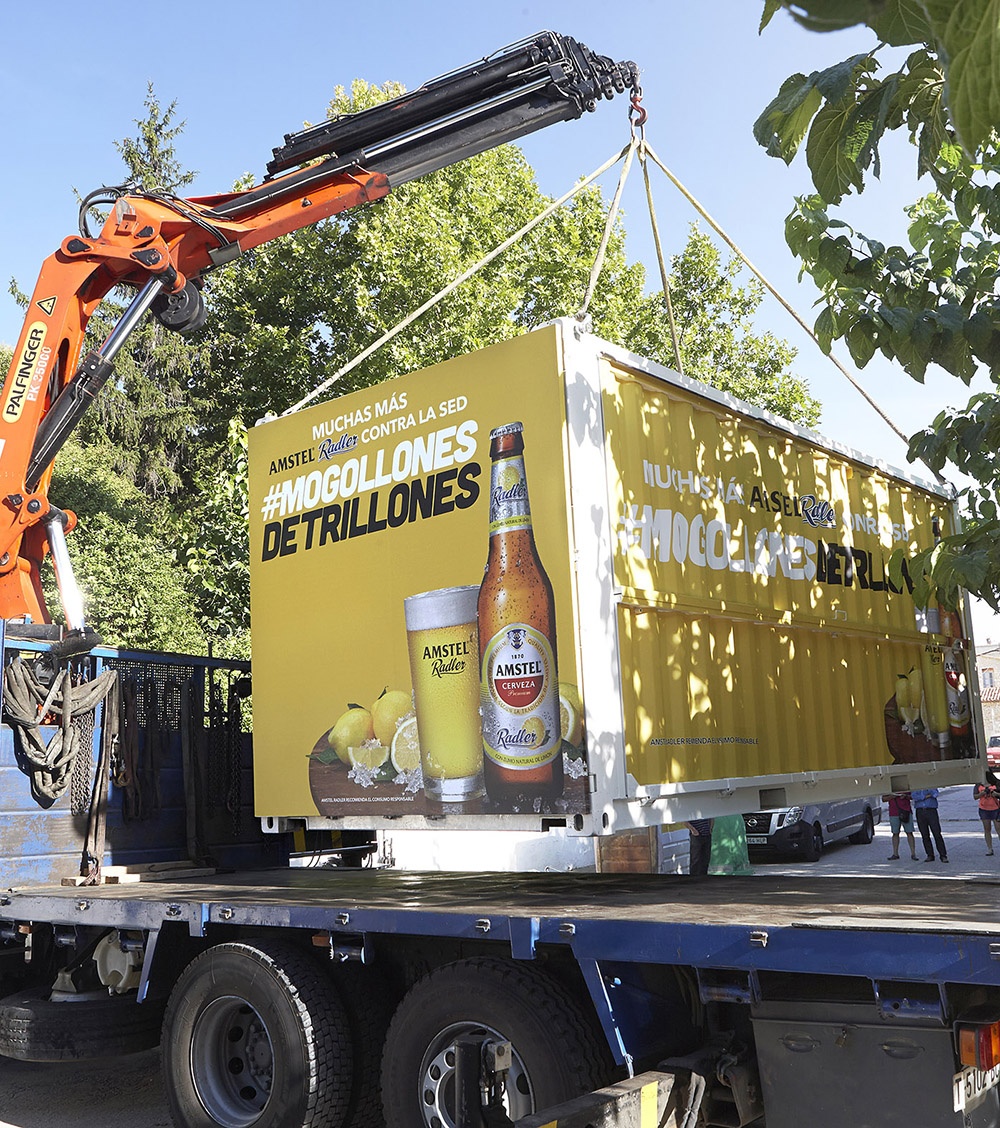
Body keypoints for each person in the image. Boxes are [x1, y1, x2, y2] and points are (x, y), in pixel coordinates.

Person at [911, 787, 949, 863]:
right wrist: (926, 796)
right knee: (924, 834)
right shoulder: (915, 786)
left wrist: (926, 794)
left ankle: (943, 855)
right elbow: (914, 797)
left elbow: (935, 794)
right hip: (920, 811)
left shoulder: (931, 785)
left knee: (937, 833)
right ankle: (930, 855)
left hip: (931, 810)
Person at [883, 791, 918, 861]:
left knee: (909, 832)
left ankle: (913, 853)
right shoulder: (889, 787)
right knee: (895, 833)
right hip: (894, 812)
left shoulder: (906, 785)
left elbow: (913, 797)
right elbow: (883, 799)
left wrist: (905, 796)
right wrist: (892, 796)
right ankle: (895, 853)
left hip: (906, 811)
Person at [974, 773, 1000, 856]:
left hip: (996, 808)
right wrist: (982, 793)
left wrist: (996, 794)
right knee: (987, 829)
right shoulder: (978, 784)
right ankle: (989, 848)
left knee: (998, 829)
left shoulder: (996, 783)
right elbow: (975, 796)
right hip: (984, 809)